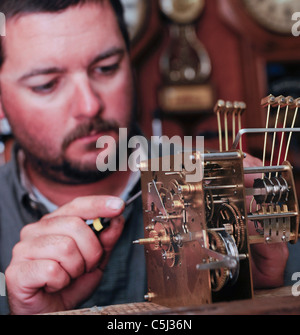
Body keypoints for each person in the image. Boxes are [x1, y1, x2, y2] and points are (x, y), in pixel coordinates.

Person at [0, 0, 288, 315]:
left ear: (130, 63)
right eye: (47, 84)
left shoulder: (227, 192)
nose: (89, 105)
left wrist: (269, 298)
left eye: (106, 68)